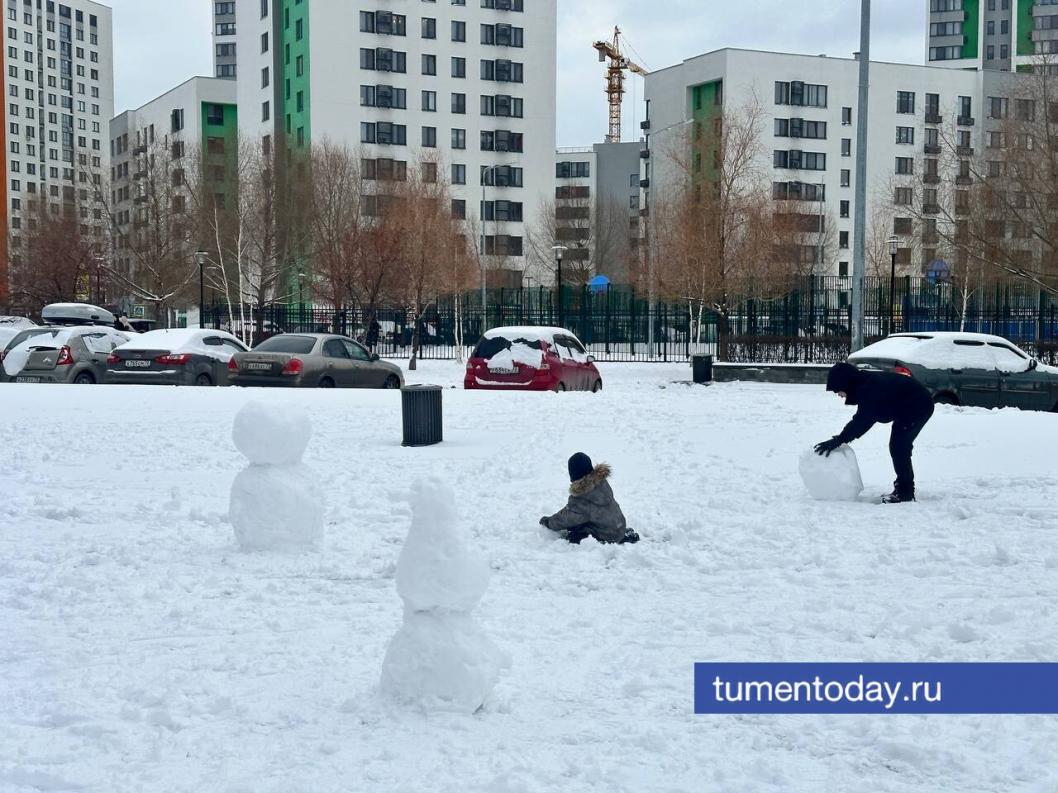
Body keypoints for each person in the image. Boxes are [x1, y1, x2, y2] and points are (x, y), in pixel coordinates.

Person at [815, 362, 935, 504]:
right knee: (899, 445)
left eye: (837, 390)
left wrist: (839, 439)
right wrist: (841, 438)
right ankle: (903, 488)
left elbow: (862, 420)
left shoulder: (868, 389)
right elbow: (865, 418)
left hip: (918, 405)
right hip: (907, 406)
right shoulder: (864, 384)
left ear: (845, 383)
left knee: (899, 446)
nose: (839, 395)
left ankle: (905, 492)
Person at [540, 453, 640, 544]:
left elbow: (566, 517)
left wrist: (548, 522)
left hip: (607, 536)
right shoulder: (601, 483)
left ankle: (607, 541)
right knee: (584, 519)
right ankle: (621, 536)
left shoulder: (582, 498)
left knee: (574, 536)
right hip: (619, 527)